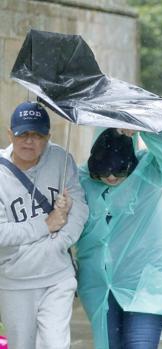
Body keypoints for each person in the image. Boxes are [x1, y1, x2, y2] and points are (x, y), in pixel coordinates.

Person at [76, 127, 162, 349]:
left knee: (140, 345)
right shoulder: (82, 179)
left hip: (145, 283)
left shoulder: (150, 171)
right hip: (101, 285)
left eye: (120, 171)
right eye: (104, 172)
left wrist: (146, 129)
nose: (111, 177)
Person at [0, 101, 88, 348]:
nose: (30, 141)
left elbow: (80, 209)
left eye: (38, 135)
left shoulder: (61, 159)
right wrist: (46, 224)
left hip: (57, 275)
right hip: (15, 280)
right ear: (10, 134)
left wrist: (60, 242)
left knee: (55, 344)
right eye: (23, 134)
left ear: (48, 137)